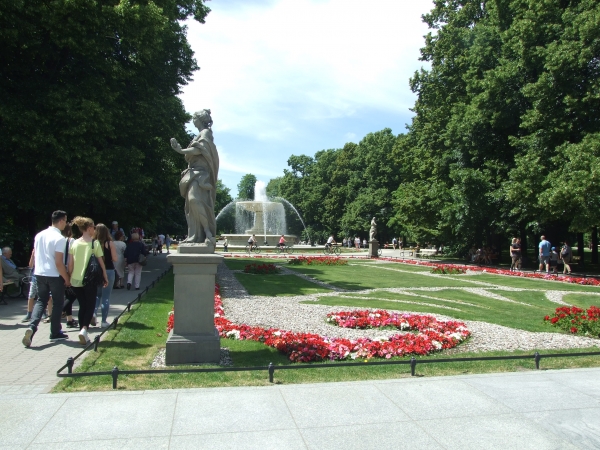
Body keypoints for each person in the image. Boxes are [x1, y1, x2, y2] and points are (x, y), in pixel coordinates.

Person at [170, 109, 219, 244]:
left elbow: (199, 150)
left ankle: (207, 231)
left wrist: (181, 150)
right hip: (193, 173)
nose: (193, 120)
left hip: (201, 174)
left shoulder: (205, 133)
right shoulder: (199, 135)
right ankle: (194, 235)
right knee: (191, 206)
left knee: (194, 200)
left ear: (200, 119)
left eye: (194, 118)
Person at [22, 210, 71, 347]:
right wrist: (66, 278)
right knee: (57, 303)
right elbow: (59, 263)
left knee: (41, 301)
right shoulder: (60, 238)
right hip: (54, 275)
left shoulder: (39, 235)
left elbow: (36, 255)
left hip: (39, 273)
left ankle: (32, 327)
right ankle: (55, 332)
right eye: (65, 221)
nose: (65, 224)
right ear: (61, 221)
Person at [69, 216, 108, 345]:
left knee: (82, 306)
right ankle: (84, 329)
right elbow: (101, 262)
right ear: (89, 228)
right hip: (90, 279)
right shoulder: (94, 243)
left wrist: (69, 277)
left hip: (76, 279)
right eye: (94, 228)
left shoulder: (73, 243)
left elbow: (70, 264)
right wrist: (105, 277)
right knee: (90, 306)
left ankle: (82, 330)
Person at [93, 224, 118, 328]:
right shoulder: (109, 243)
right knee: (106, 297)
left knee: (97, 295)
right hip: (109, 270)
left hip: (97, 271)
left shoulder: (93, 243)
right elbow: (115, 258)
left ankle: (93, 314)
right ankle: (103, 321)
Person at [60, 223, 78, 328]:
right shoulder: (71, 241)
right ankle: (60, 311)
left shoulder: (58, 240)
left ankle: (69, 319)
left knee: (68, 295)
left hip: (59, 269)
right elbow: (73, 258)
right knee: (73, 295)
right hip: (69, 269)